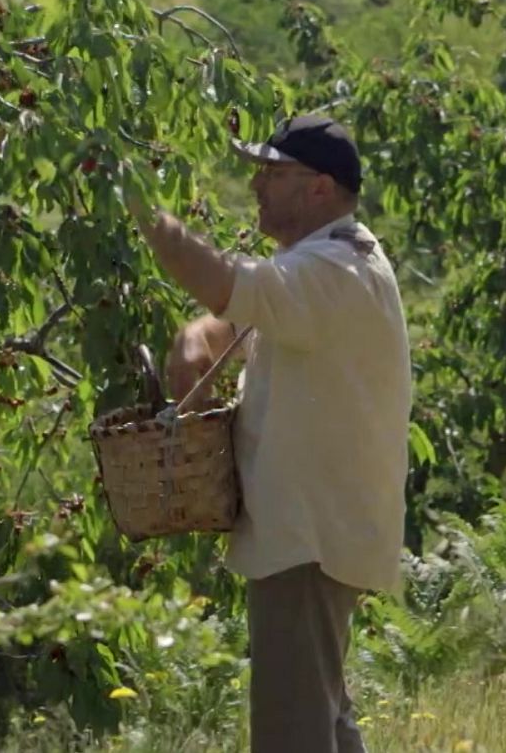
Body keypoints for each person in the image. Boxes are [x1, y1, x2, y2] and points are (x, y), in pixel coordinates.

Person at [121, 113, 412, 753]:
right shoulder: (330, 260)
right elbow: (248, 314)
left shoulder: (337, 271)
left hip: (307, 541)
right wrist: (200, 334)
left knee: (293, 736)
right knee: (327, 723)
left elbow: (235, 285)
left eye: (272, 173)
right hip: (316, 537)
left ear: (319, 188)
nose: (256, 185)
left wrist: (139, 205)